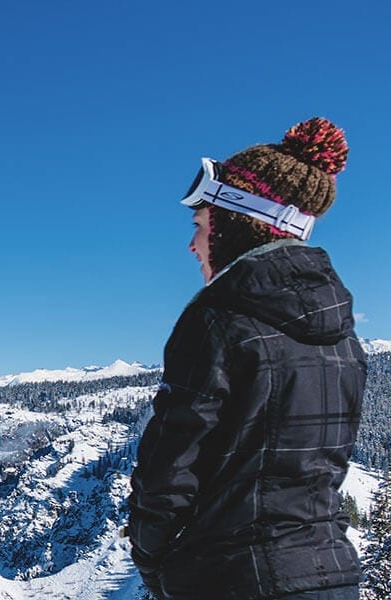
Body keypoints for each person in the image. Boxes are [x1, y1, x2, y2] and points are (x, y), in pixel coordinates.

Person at [127, 117, 367, 600]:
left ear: (236, 222)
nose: (191, 244)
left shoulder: (219, 320)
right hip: (331, 574)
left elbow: (171, 468)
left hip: (231, 578)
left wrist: (151, 559)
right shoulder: (342, 333)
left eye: (200, 225)